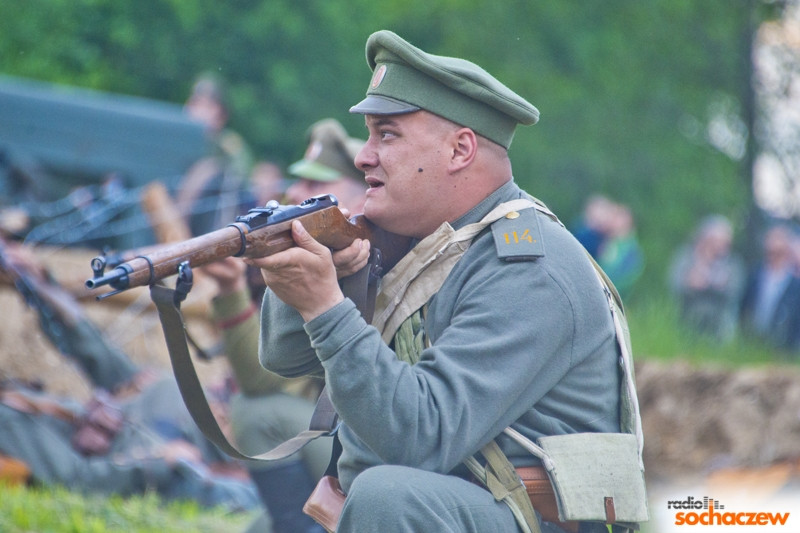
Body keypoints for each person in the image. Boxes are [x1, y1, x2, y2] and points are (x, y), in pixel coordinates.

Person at [247, 31, 643, 533]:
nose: (364, 156)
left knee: (386, 497)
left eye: (386, 135)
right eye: (369, 135)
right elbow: (285, 357)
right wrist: (333, 273)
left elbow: (423, 435)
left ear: (459, 150)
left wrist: (326, 306)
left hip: (528, 519)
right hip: (455, 506)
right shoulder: (418, 236)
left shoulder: (527, 266)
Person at [0, 238, 259, 512]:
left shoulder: (157, 389)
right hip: (184, 472)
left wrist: (39, 283)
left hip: (205, 445)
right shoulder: (9, 418)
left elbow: (92, 349)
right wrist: (162, 463)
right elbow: (77, 479)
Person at [202, 118, 367, 533]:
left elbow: (263, 390)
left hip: (371, 448)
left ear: (362, 195)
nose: (294, 194)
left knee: (257, 415)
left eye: (316, 188)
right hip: (342, 438)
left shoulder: (372, 261)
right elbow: (269, 373)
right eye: (299, 183)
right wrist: (232, 291)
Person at [178, 73, 255, 236]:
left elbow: (239, 184)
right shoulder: (180, 141)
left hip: (213, 226)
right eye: (193, 102)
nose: (193, 110)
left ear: (219, 112)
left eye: (203, 104)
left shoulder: (229, 146)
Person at [668, 215, 746, 342]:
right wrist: (690, 284)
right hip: (686, 322)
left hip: (720, 327)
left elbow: (735, 292)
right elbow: (675, 284)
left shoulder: (733, 264)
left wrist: (712, 286)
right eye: (716, 240)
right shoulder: (686, 258)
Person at [739, 223, 800, 353]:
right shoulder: (755, 276)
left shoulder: (795, 284)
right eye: (771, 238)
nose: (773, 244)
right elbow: (744, 309)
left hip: (783, 350)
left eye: (779, 239)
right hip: (751, 344)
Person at [595, 202, 644, 300]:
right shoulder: (607, 242)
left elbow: (627, 278)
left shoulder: (631, 250)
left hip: (616, 299)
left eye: (617, 217)